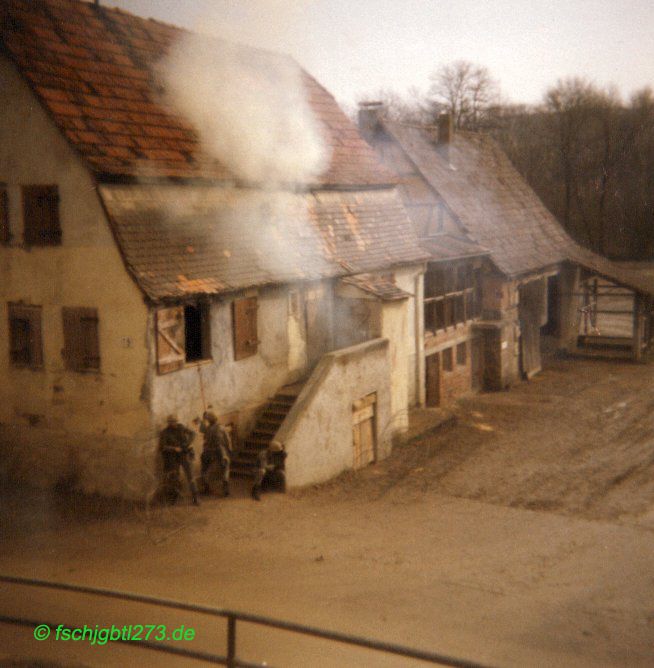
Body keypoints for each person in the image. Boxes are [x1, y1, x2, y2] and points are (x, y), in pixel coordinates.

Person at [159, 415, 199, 506]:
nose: (173, 424)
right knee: (174, 478)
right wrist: (174, 448)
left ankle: (195, 498)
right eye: (171, 422)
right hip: (173, 458)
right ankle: (174, 498)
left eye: (175, 421)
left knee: (190, 476)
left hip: (184, 455)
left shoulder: (181, 427)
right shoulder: (165, 432)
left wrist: (188, 443)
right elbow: (162, 446)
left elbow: (193, 434)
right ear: (168, 423)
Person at [196, 411, 232, 497]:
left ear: (209, 420)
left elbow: (205, 439)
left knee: (204, 470)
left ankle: (206, 487)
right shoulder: (222, 428)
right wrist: (229, 451)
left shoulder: (208, 429)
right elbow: (227, 440)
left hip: (208, 451)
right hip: (220, 451)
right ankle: (225, 487)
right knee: (225, 468)